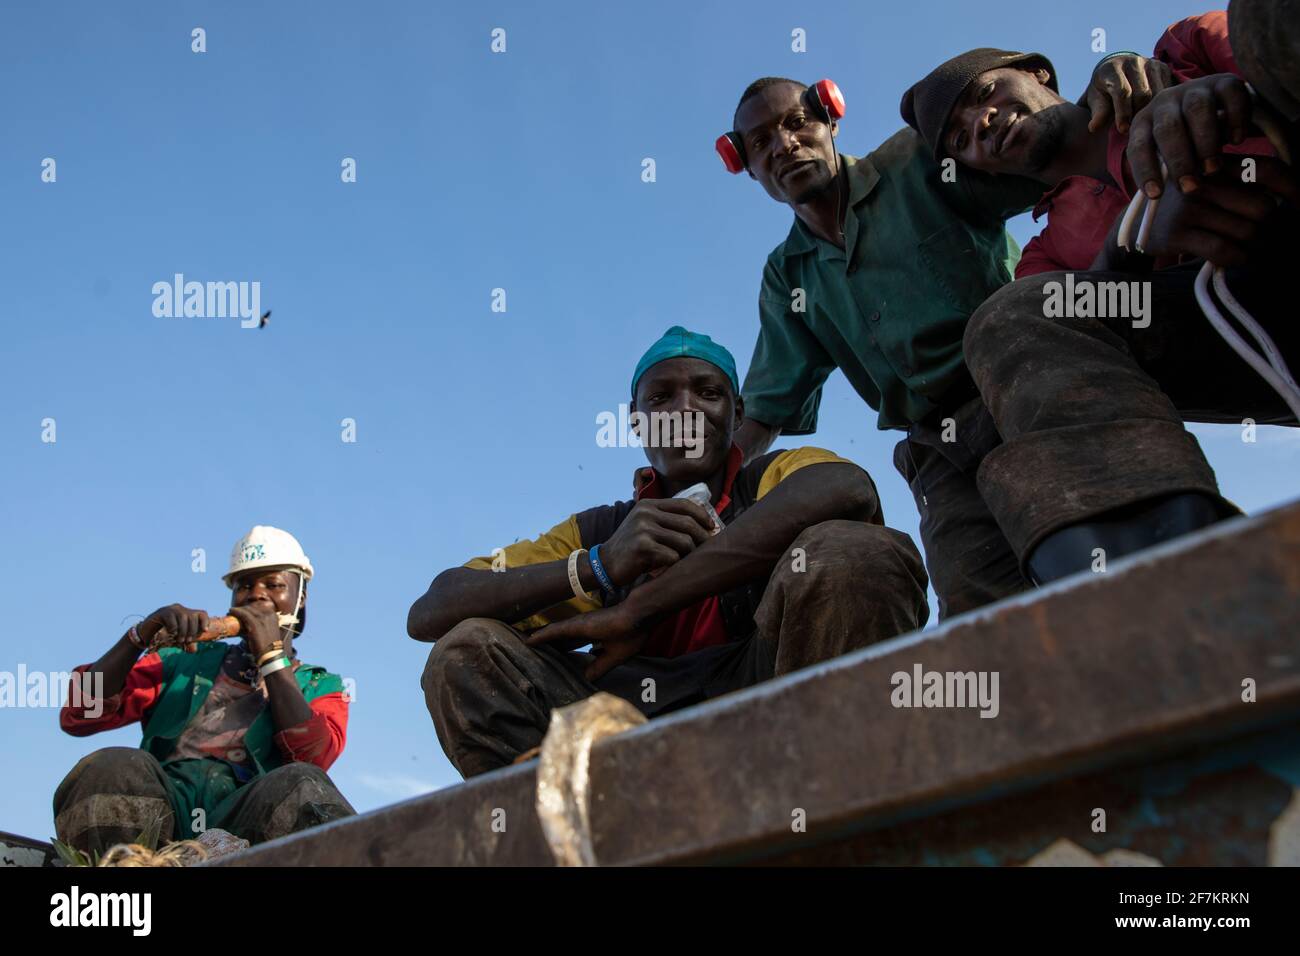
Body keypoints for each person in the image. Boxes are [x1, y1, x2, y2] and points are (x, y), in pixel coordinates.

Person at [725, 55, 1171, 618]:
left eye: (796, 124)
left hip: (1024, 380)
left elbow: (1050, 148)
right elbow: (768, 403)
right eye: (761, 142)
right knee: (978, 607)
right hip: (935, 446)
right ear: (744, 165)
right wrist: (713, 486)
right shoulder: (788, 274)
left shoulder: (919, 159)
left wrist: (1110, 86)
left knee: (1109, 544)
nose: (784, 146)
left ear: (830, 117)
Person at [410, 326, 929, 779]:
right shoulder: (599, 531)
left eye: (708, 392)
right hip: (622, 733)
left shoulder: (774, 479)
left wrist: (639, 608)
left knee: (852, 554)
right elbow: (431, 610)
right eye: (661, 398)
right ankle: (571, 836)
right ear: (635, 421)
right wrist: (601, 565)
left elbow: (847, 488)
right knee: (465, 651)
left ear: (737, 413)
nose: (685, 408)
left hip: (769, 702)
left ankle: (839, 814)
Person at [899, 13, 1298, 584]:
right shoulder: (1046, 258)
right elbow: (1054, 323)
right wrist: (1134, 238)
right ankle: (1163, 580)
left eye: (985, 93)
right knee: (1012, 320)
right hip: (1253, 339)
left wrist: (1223, 104)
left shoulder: (1180, 55)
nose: (981, 125)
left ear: (1038, 72)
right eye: (962, 140)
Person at [55, 526, 354, 855]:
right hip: (163, 812)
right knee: (113, 765)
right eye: (244, 585)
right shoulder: (182, 659)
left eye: (274, 584)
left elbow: (313, 756)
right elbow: (80, 714)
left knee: (303, 784)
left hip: (246, 816)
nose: (256, 594)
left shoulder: (322, 686)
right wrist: (140, 636)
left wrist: (271, 658)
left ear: (300, 596)